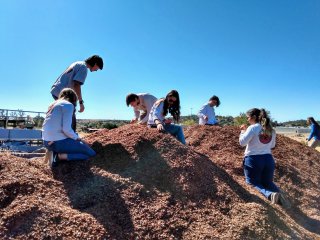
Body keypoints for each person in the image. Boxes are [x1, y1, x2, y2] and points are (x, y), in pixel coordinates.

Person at [239, 108, 288, 206]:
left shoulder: (253, 127)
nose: (247, 120)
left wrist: (243, 131)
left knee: (252, 182)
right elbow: (272, 146)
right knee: (268, 182)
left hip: (254, 159)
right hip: (268, 159)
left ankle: (270, 194)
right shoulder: (271, 129)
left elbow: (242, 143)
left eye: (248, 117)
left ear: (253, 117)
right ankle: (282, 197)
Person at [42, 88, 96, 168]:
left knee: (75, 139)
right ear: (73, 98)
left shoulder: (53, 104)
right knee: (91, 154)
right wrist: (80, 140)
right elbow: (66, 130)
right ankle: (59, 157)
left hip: (47, 142)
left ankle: (55, 153)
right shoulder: (68, 105)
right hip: (58, 143)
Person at [50, 55, 104, 130]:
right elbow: (77, 85)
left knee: (64, 114)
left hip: (56, 89)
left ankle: (60, 135)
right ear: (95, 64)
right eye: (97, 68)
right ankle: (71, 138)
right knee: (70, 113)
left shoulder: (78, 63)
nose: (96, 70)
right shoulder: (84, 68)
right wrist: (81, 102)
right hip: (62, 93)